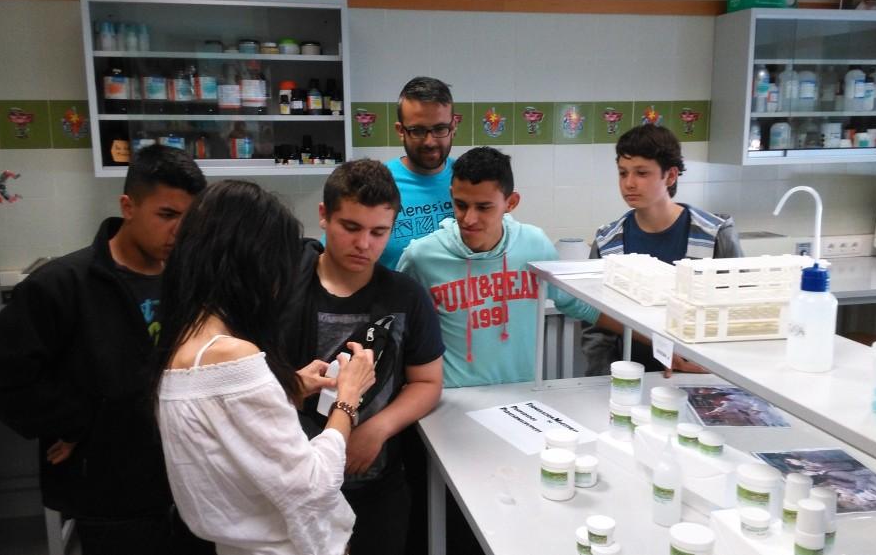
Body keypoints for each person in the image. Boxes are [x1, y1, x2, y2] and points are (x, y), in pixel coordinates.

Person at [0, 145, 210, 555]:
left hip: (184, 483)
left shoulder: (187, 280)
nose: (179, 232)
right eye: (167, 215)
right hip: (108, 490)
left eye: (190, 219)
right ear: (128, 206)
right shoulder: (62, 285)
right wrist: (74, 420)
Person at [155, 180, 376, 555]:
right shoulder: (232, 356)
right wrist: (348, 398)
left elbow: (232, 440)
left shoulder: (184, 346)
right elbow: (313, 485)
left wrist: (286, 387)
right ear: (253, 265)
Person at [280, 160, 444, 555]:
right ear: (324, 215)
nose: (364, 244)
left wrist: (378, 428)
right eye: (350, 227)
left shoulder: (407, 296)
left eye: (378, 232)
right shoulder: (282, 289)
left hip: (378, 488)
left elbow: (428, 382)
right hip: (293, 489)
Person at [398, 146, 623, 388]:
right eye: (461, 204)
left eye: (484, 207)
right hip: (453, 397)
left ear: (511, 202)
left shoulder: (535, 246)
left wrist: (647, 334)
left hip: (523, 395)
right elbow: (398, 327)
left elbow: (578, 304)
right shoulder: (421, 257)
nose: (469, 219)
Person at [582, 124, 743, 376]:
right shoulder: (608, 241)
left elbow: (738, 311)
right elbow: (597, 327)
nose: (629, 183)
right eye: (623, 173)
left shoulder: (713, 234)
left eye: (642, 173)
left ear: (670, 176)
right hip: (631, 376)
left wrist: (717, 369)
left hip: (698, 375)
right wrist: (603, 380)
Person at [379, 76, 459, 270]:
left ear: (453, 126)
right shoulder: (377, 183)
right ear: (400, 131)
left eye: (440, 128)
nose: (430, 142)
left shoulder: (469, 179)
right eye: (417, 131)